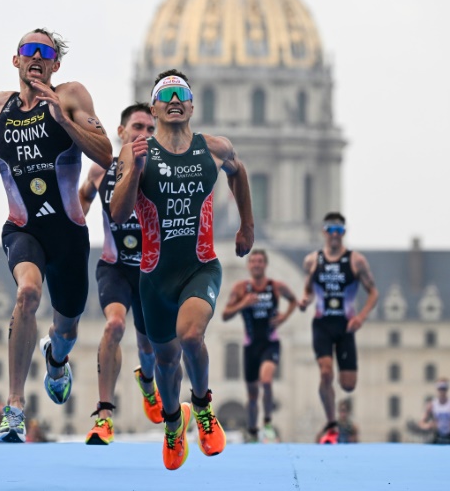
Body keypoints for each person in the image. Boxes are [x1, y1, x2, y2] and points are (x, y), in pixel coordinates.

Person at [0, 28, 112, 443]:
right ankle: (14, 407)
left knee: (66, 329)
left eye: (45, 52)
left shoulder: (70, 96)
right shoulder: (0, 105)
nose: (36, 56)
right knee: (27, 294)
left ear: (55, 65)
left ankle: (56, 359)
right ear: (16, 60)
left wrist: (64, 119)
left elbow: (105, 153)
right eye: (28, 50)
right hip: (22, 228)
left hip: (68, 234)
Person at [111, 69, 254, 470]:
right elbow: (118, 213)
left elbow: (239, 172)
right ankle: (175, 425)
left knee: (191, 335)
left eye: (182, 94)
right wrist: (135, 171)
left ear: (192, 105)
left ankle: (204, 408)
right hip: (155, 276)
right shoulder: (136, 151)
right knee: (167, 362)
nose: (174, 100)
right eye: (165, 95)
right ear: (154, 107)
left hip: (200, 266)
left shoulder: (214, 147)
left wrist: (247, 225)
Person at [77, 103, 162, 445]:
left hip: (148, 271)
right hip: (113, 266)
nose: (144, 134)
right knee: (113, 325)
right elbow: (80, 202)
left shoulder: (160, 172)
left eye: (151, 129)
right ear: (121, 132)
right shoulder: (101, 170)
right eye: (138, 127)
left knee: (147, 344)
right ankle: (104, 414)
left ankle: (148, 379)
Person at [298, 212, 379, 443]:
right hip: (322, 324)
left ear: (344, 233)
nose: (335, 235)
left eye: (339, 231)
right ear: (324, 232)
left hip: (346, 327)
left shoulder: (356, 261)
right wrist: (305, 300)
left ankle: (334, 414)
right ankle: (332, 423)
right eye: (331, 230)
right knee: (325, 373)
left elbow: (374, 292)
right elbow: (308, 289)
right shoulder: (312, 260)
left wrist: (361, 317)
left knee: (348, 384)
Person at [221, 249, 297, 443]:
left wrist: (284, 316)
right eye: (253, 261)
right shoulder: (240, 289)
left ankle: (268, 423)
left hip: (270, 343)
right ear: (248, 266)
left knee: (266, 379)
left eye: (260, 261)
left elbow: (294, 300)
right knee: (253, 394)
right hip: (250, 346)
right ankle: (253, 430)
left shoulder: (276, 286)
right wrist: (243, 304)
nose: (256, 265)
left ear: (265, 265)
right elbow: (225, 314)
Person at [418, 378, 450, 445]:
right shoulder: (432, 405)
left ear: (447, 389)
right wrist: (428, 426)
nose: (442, 391)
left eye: (444, 388)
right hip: (436, 437)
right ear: (437, 389)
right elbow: (421, 423)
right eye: (440, 388)